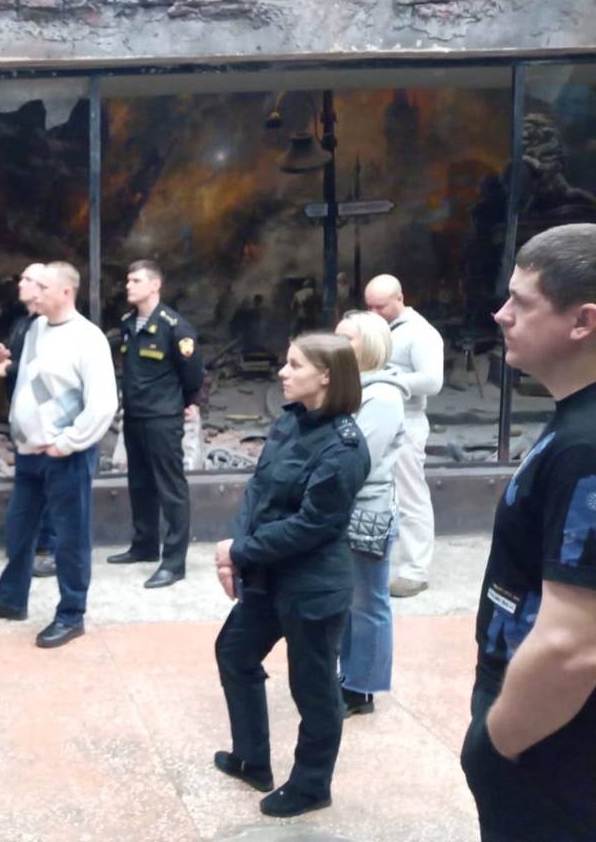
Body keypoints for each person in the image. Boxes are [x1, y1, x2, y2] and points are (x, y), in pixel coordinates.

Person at [460, 224, 596, 841]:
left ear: (582, 321)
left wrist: (494, 746)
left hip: (552, 738)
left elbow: (574, 646)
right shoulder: (575, 425)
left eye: (522, 301)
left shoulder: (586, 446)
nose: (501, 314)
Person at [212, 333, 370, 818]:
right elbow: (258, 490)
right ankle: (252, 759)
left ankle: (311, 786)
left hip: (312, 586)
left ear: (326, 376)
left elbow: (311, 526)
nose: (283, 372)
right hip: (269, 574)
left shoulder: (345, 448)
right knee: (234, 651)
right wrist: (236, 555)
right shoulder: (290, 422)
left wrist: (239, 550)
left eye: (295, 365)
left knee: (314, 689)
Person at [0, 262, 118, 649]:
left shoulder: (88, 339)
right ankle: (11, 599)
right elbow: (32, 382)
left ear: (66, 292)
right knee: (19, 529)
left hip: (66, 456)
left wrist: (68, 442)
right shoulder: (35, 328)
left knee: (70, 537)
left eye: (43, 287)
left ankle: (71, 614)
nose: (34, 293)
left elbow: (103, 404)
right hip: (30, 453)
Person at [109, 259, 204, 589]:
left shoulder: (175, 327)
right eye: (128, 280)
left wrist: (189, 402)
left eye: (135, 280)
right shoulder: (128, 324)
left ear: (154, 285)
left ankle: (174, 562)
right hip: (135, 414)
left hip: (163, 417)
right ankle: (144, 545)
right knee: (140, 483)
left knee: (170, 488)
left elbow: (193, 373)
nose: (128, 286)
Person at [334, 311, 409, 717]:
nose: (336, 344)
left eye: (347, 338)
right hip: (347, 509)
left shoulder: (381, 397)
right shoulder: (353, 389)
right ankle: (350, 676)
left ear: (371, 346)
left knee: (367, 603)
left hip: (367, 511)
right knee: (351, 601)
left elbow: (357, 459)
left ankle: (361, 688)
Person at [365, 273, 444, 598]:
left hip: (406, 421)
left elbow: (433, 381)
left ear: (400, 299)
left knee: (411, 496)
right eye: (369, 306)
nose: (374, 313)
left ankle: (415, 570)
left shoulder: (421, 333)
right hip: (375, 417)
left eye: (380, 307)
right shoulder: (378, 327)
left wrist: (387, 380)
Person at [0, 263, 57, 579]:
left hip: (45, 417)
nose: (21, 283)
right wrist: (3, 360)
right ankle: (33, 544)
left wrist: (9, 369)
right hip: (24, 417)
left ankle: (51, 550)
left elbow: (47, 372)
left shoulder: (51, 325)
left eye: (28, 279)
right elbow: (22, 364)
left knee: (51, 485)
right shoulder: (22, 323)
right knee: (32, 485)